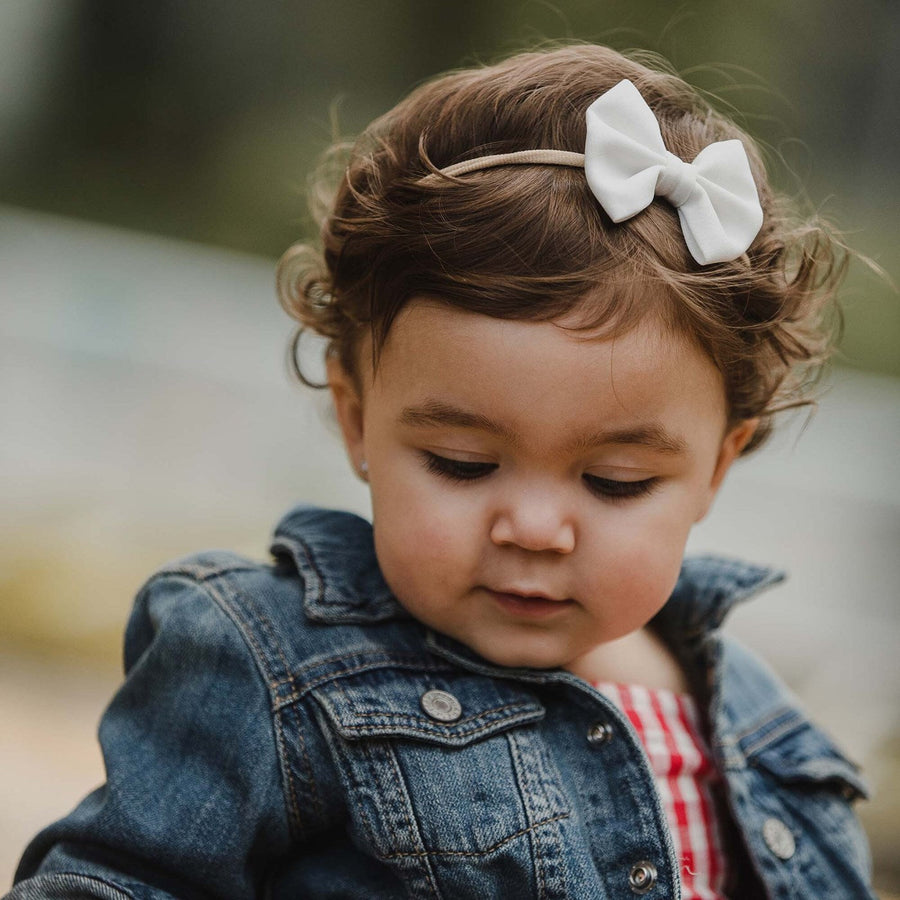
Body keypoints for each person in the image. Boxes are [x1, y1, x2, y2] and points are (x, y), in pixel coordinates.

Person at [8, 44, 875, 900]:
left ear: (719, 466)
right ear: (356, 418)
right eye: (462, 465)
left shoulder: (765, 728)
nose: (534, 528)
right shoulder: (275, 670)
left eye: (615, 482)